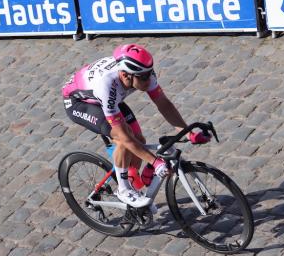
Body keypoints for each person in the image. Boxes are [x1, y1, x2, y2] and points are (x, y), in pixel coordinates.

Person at [62, 44, 210, 207]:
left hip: (110, 99)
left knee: (139, 139)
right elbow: (125, 138)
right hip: (80, 102)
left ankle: (131, 181)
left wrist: (188, 133)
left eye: (150, 73)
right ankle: (123, 190)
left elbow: (163, 104)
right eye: (144, 77)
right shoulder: (107, 85)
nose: (150, 79)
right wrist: (155, 162)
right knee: (123, 139)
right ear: (126, 75)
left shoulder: (142, 72)